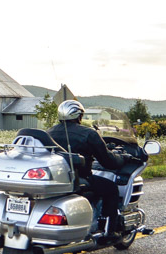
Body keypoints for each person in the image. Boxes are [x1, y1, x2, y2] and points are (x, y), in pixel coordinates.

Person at [48, 99, 129, 239]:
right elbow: (108, 161)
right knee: (111, 189)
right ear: (78, 116)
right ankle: (110, 231)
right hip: (80, 179)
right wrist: (122, 158)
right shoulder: (88, 134)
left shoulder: (49, 132)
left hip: (56, 179)